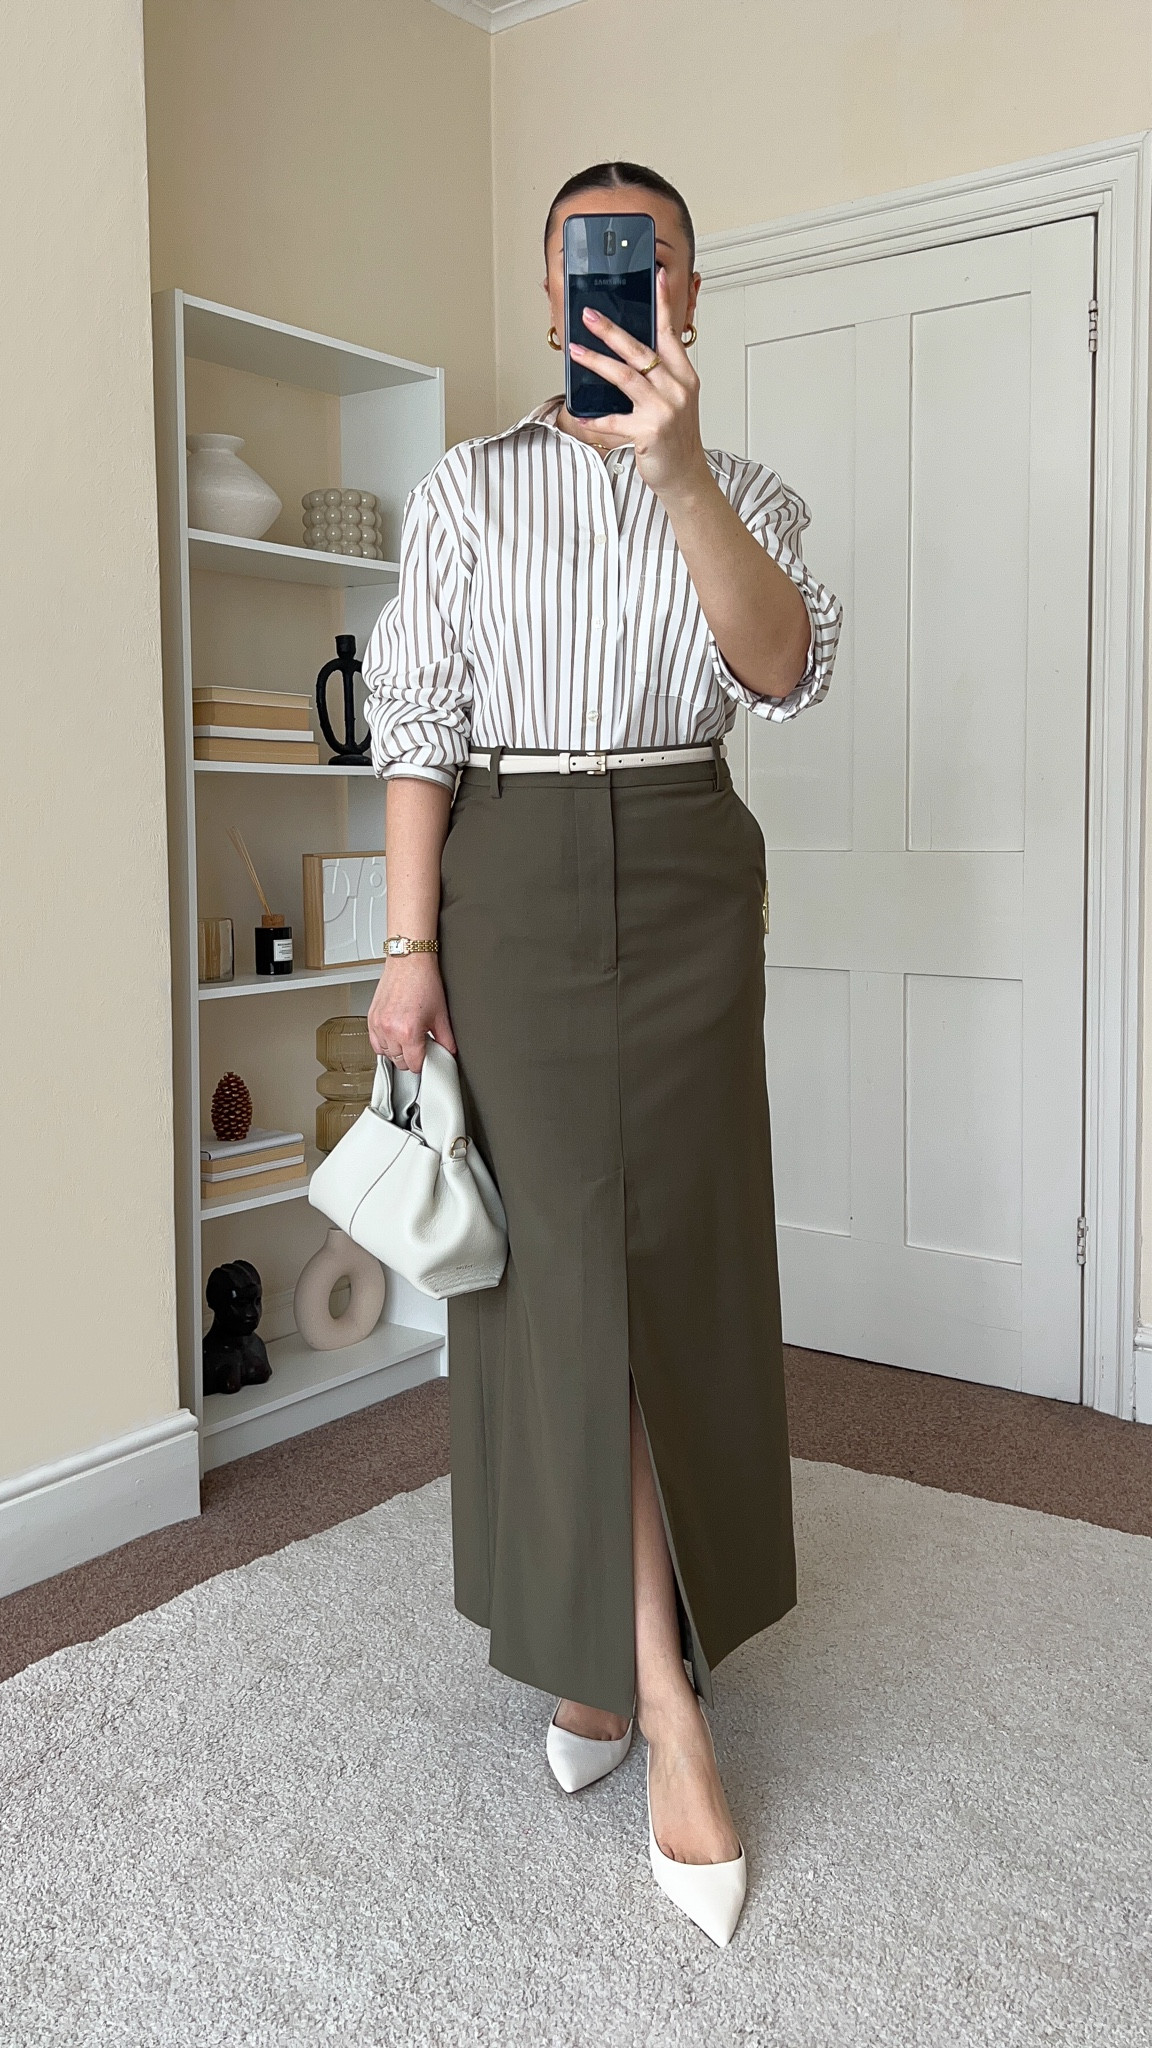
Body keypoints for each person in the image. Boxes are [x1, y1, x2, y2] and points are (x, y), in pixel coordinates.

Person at [363, 160, 842, 1948]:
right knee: (561, 1276)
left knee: (675, 1256)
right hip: (514, 876)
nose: (614, 289)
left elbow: (783, 672)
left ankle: (598, 1654)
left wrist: (683, 474)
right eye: (583, 266)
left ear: (690, 292)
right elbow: (418, 722)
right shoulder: (468, 488)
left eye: (644, 262)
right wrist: (408, 946)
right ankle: (658, 1699)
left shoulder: (750, 491)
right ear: (550, 294)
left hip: (692, 868)